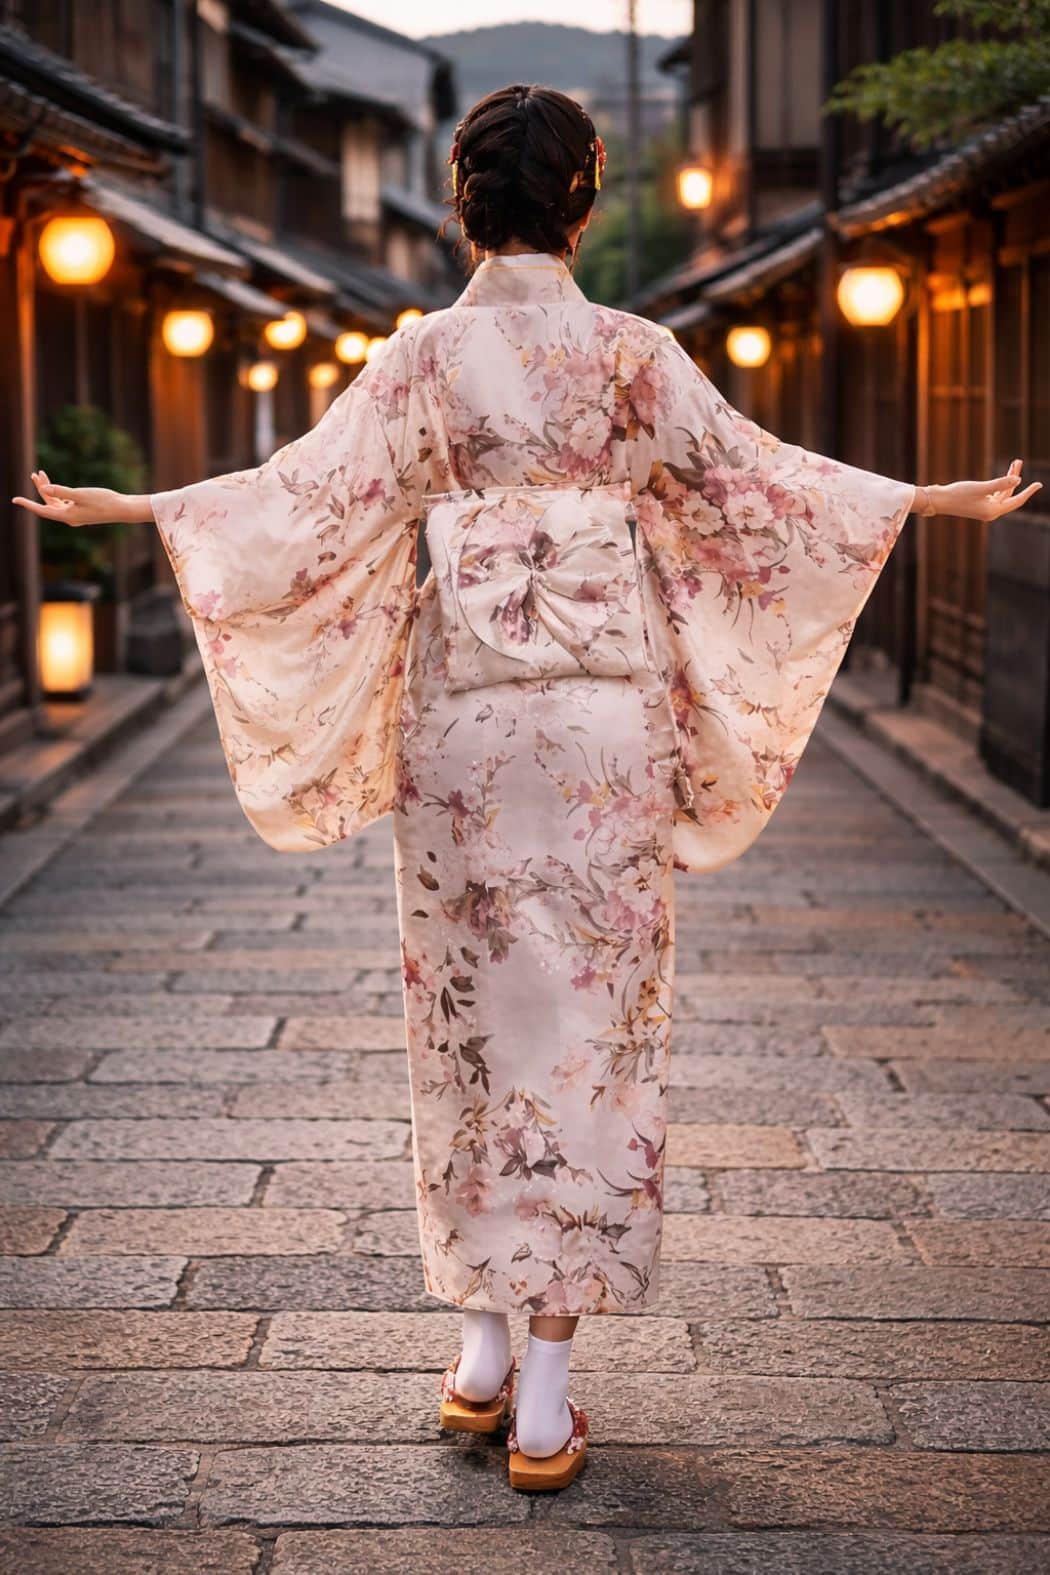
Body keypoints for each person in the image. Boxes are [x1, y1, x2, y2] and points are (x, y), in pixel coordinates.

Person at [14, 83, 1039, 1493]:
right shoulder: (630, 352)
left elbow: (306, 501)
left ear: (459, 198)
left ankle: (482, 1353)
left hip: (464, 730)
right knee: (593, 1034)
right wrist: (919, 502)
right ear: (584, 196)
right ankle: (544, 1393)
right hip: (605, 725)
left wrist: (144, 511)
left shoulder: (421, 360)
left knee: (470, 1027)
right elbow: (754, 489)